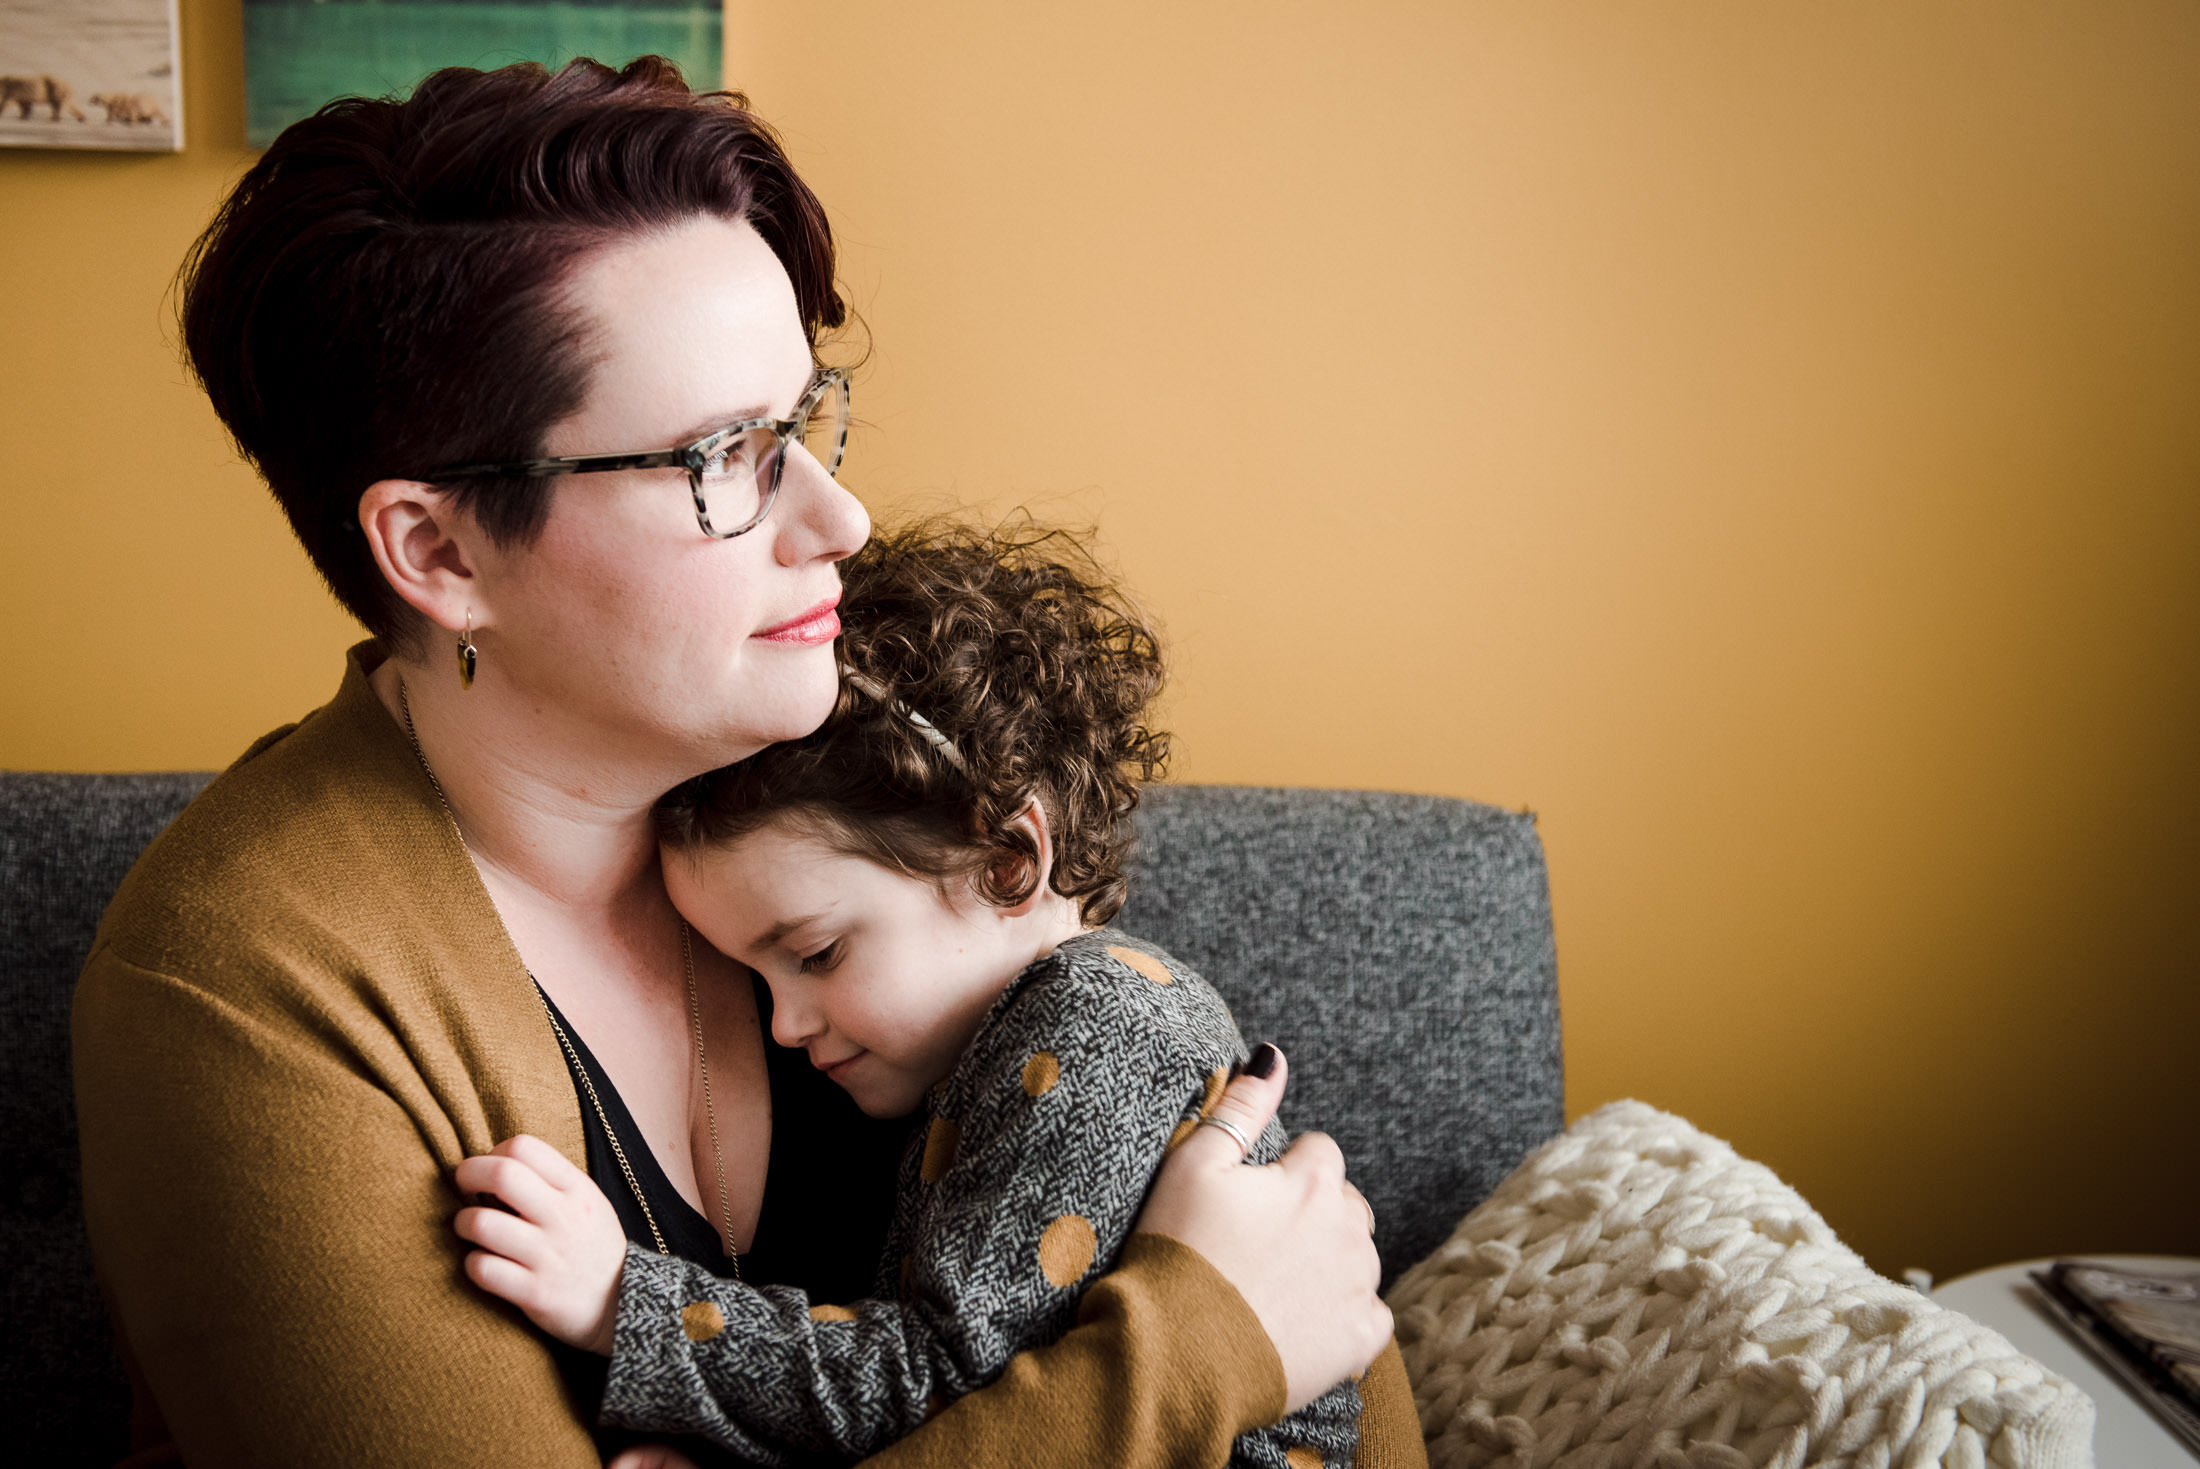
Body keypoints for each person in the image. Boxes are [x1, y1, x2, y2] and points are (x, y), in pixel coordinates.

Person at [70, 55, 1406, 1469]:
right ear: (442, 552)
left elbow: (1333, 1347)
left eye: (806, 417)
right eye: (725, 456)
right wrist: (1194, 1345)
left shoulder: (832, 784)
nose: (839, 513)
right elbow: (1266, 1318)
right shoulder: (240, 989)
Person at [453, 521, 1366, 1467]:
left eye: (816, 952)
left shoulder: (1100, 1030)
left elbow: (936, 1387)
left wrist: (624, 1303)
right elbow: (1011, 1412)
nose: (784, 1024)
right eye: (750, 976)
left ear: (1009, 861)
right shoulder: (988, 1042)